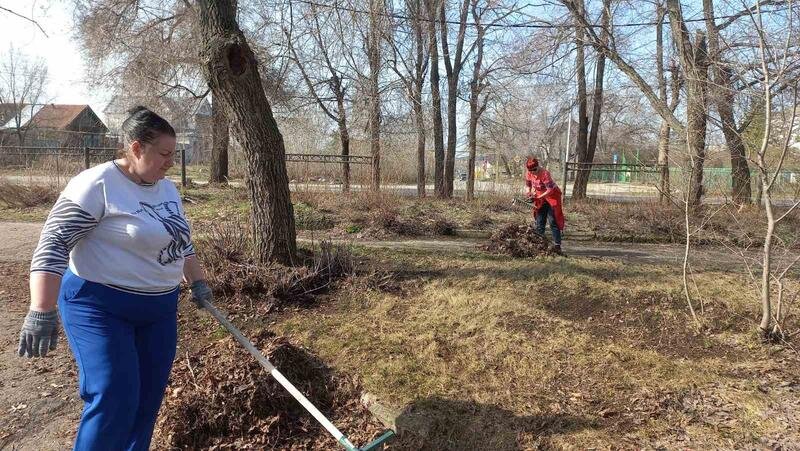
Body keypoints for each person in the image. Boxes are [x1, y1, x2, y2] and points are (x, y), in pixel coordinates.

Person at [17, 106, 214, 451]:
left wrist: (197, 281)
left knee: (146, 400)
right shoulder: (97, 184)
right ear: (136, 148)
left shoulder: (166, 189)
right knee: (115, 393)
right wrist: (41, 308)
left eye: (173, 153)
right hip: (100, 305)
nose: (171, 161)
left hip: (159, 310)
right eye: (165, 154)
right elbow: (54, 243)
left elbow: (182, 242)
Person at [524, 157, 565, 254]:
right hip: (540, 197)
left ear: (538, 166)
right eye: (530, 170)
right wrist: (529, 193)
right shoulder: (529, 173)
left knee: (553, 221)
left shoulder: (545, 174)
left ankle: (557, 245)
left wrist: (538, 197)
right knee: (539, 221)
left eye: (534, 169)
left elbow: (550, 190)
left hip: (552, 197)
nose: (533, 172)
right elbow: (528, 186)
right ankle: (540, 244)